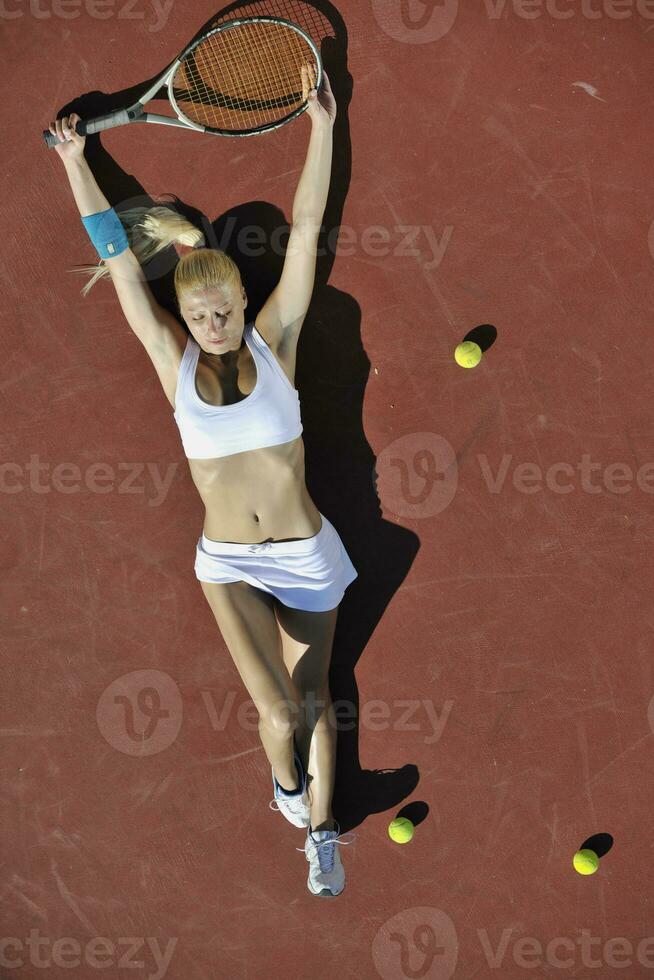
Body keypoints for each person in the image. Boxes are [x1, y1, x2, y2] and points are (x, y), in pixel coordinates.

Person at [48, 62, 357, 897]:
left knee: (319, 698)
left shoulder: (273, 340)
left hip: (306, 554)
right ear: (182, 318)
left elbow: (305, 220)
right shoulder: (171, 363)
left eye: (222, 308)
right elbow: (116, 258)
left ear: (239, 296)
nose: (213, 324)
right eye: (198, 316)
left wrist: (322, 127)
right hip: (228, 561)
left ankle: (321, 834)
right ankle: (287, 788)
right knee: (280, 712)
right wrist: (76, 162)